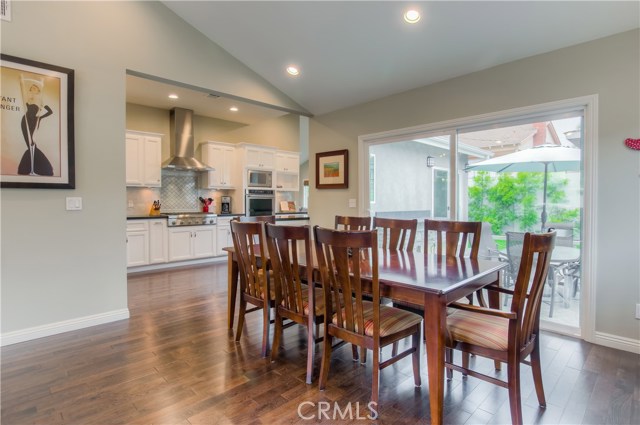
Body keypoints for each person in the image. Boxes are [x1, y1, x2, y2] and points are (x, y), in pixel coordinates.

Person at [18, 79, 54, 176]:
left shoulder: (40, 99)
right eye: (31, 88)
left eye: (34, 88)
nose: (32, 88)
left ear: (38, 90)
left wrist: (40, 117)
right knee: (29, 144)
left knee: (32, 144)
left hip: (34, 122)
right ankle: (31, 169)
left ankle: (38, 168)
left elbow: (50, 111)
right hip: (24, 121)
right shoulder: (29, 99)